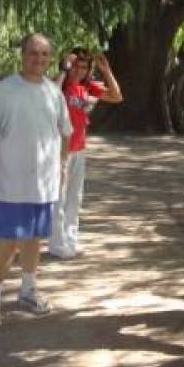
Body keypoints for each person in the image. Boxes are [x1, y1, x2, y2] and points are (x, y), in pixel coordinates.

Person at [0, 33, 72, 327]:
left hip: (43, 185)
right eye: (33, 53)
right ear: (22, 55)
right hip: (11, 185)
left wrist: (61, 165)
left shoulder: (53, 92)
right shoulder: (5, 90)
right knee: (10, 243)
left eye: (44, 54)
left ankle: (28, 290)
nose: (38, 59)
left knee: (34, 240)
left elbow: (65, 131)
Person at [49, 48, 122, 258]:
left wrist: (106, 71)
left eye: (84, 67)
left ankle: (71, 240)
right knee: (59, 198)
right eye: (76, 66)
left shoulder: (86, 87)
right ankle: (57, 244)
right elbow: (50, 95)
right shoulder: (60, 84)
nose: (80, 71)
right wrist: (64, 69)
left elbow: (116, 96)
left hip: (80, 149)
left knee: (75, 197)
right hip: (60, 150)